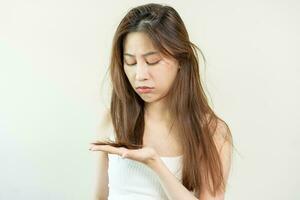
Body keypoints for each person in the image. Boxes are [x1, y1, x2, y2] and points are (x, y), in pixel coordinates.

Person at [89, 3, 234, 200]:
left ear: (181, 61)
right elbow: (99, 197)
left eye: (153, 61)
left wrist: (155, 163)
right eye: (130, 62)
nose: (140, 75)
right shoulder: (113, 118)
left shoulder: (212, 131)